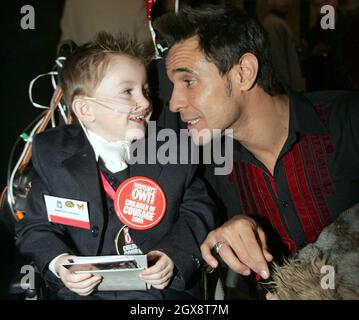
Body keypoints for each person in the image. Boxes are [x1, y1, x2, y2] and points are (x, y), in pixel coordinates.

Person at [155, 5, 359, 299]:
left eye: (188, 81)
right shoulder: (208, 169)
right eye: (173, 85)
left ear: (244, 73)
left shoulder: (347, 122)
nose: (174, 103)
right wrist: (223, 240)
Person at [15, 32, 215, 300]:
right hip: (85, 291)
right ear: (86, 110)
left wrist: (172, 255)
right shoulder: (52, 155)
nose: (145, 102)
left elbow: (198, 210)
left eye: (145, 90)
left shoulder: (173, 150)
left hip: (160, 290)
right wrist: (60, 264)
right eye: (127, 92)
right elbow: (35, 228)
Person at [262, 0, 305, 91]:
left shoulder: (279, 22)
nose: (287, 2)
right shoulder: (273, 24)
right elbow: (278, 62)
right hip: (286, 91)